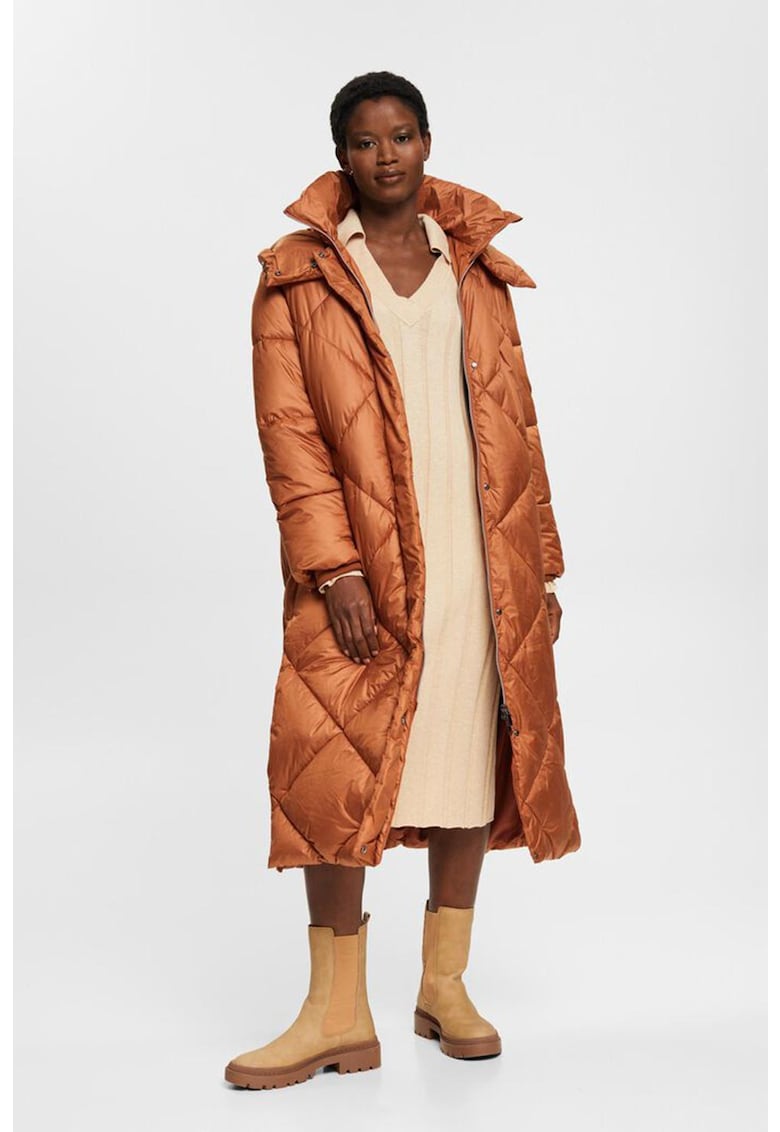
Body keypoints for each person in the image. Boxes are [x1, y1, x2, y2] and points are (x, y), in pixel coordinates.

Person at [225, 71, 580, 1090]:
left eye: (403, 135)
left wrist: (541, 564)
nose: (387, 156)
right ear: (340, 153)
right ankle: (335, 1013)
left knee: (469, 748)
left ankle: (443, 985)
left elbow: (518, 423)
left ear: (428, 141)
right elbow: (289, 435)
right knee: (332, 768)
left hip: (480, 556)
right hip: (364, 566)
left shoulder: (474, 266)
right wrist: (332, 565)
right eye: (365, 141)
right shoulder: (297, 276)